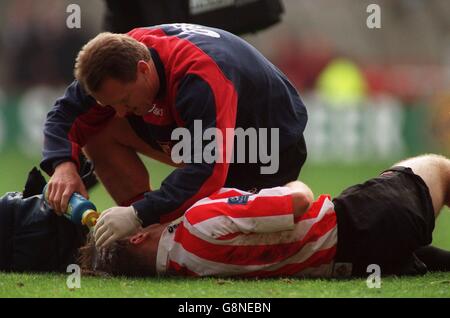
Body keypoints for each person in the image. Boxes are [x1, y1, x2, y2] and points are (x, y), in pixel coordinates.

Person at [41, 23, 308, 248]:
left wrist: (139, 213)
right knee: (97, 129)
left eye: (123, 100)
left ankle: (286, 196)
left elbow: (207, 169)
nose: (120, 112)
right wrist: (63, 165)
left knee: (217, 238)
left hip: (264, 149)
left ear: (144, 69)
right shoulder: (118, 57)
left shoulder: (198, 78)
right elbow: (64, 114)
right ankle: (147, 232)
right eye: (110, 104)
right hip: (200, 138)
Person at [79, 154, 450, 278]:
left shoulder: (183, 269)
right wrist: (290, 185)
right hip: (364, 219)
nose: (145, 217)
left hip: (357, 262)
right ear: (139, 237)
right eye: (138, 222)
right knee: (441, 170)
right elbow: (298, 203)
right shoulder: (197, 223)